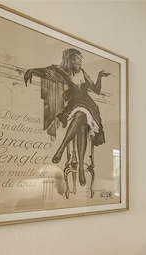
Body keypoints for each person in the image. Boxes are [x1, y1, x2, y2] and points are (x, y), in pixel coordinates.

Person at [24, 48, 110, 186]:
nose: (80, 60)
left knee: (82, 116)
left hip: (89, 105)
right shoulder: (63, 71)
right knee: (81, 124)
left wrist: (99, 76)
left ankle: (61, 148)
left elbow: (96, 90)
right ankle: (81, 168)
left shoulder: (83, 72)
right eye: (77, 58)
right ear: (70, 59)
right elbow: (48, 72)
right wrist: (31, 71)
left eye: (81, 58)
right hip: (75, 103)